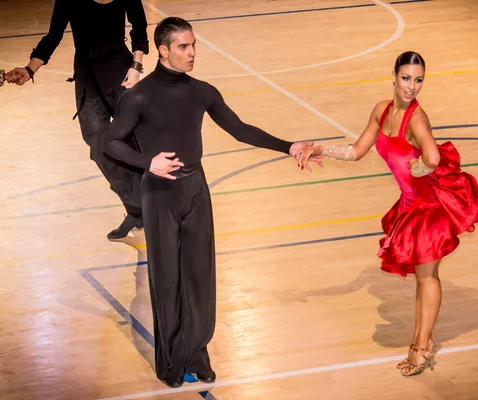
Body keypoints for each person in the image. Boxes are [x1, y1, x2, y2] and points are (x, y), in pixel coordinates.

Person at [103, 16, 320, 388]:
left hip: (195, 190)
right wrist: (147, 163)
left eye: (194, 46)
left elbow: (240, 129)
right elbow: (110, 142)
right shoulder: (138, 96)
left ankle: (196, 350)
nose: (192, 53)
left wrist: (289, 146)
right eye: (184, 47)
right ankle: (170, 360)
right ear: (163, 50)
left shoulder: (202, 91)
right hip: (159, 194)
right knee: (167, 278)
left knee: (200, 277)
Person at [297, 51, 478, 376]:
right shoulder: (381, 110)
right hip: (410, 205)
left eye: (418, 80)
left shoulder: (416, 118)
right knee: (422, 277)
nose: (412, 86)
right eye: (406, 78)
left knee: (427, 278)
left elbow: (433, 156)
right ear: (394, 76)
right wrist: (321, 149)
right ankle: (420, 342)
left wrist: (423, 166)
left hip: (428, 209)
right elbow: (356, 151)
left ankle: (421, 348)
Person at [6, 0, 150, 239]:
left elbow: (139, 27)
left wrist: (136, 65)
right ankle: (137, 208)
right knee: (99, 146)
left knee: (138, 140)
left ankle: (157, 204)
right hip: (88, 78)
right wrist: (30, 69)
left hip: (123, 73)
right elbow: (54, 35)